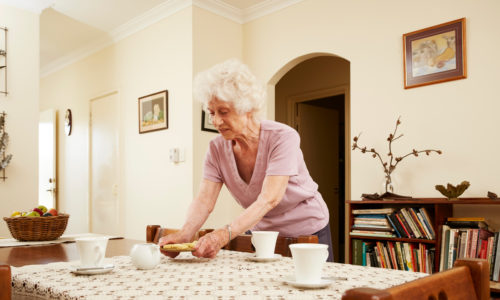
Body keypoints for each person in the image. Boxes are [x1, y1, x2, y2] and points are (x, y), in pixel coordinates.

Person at [159, 59, 333, 261]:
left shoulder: (283, 137)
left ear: (247, 108)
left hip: (307, 228)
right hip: (263, 232)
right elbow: (204, 201)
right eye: (212, 113)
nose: (216, 121)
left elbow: (270, 198)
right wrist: (185, 233)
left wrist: (222, 235)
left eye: (223, 112)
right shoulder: (216, 149)